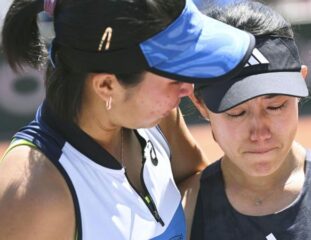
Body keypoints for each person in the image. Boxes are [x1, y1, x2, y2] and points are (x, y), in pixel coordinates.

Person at [0, 0, 255, 239]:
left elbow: (196, 186)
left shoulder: (160, 117)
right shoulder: (34, 198)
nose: (188, 88)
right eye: (173, 77)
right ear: (106, 85)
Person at [180, 1, 311, 239]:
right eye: (237, 112)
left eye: (275, 106)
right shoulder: (182, 211)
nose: (260, 133)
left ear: (301, 81)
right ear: (200, 104)